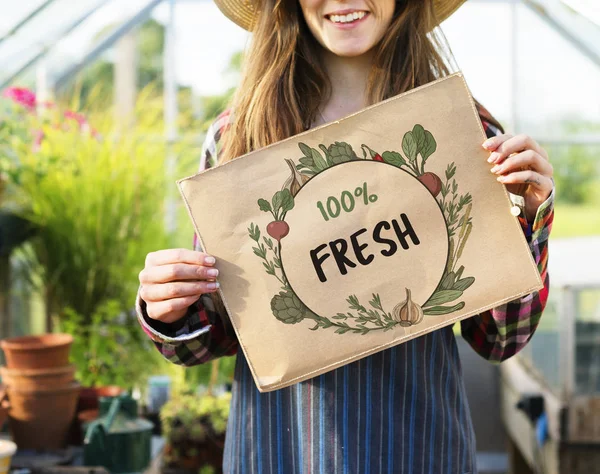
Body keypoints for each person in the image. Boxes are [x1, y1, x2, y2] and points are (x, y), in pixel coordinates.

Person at [136, 1, 554, 472]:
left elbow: (498, 339)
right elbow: (216, 335)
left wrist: (529, 218)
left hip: (417, 449)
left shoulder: (463, 131)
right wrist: (170, 306)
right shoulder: (239, 137)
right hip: (282, 451)